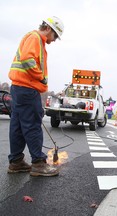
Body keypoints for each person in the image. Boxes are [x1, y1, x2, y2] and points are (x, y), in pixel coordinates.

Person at [7, 16, 64, 177]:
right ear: (48, 29)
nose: (54, 40)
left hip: (19, 88)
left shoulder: (32, 37)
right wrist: (41, 77)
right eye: (55, 36)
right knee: (32, 124)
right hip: (27, 88)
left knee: (17, 126)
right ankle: (38, 163)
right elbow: (27, 59)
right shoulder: (35, 38)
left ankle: (16, 161)